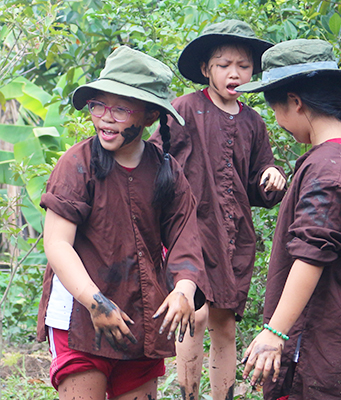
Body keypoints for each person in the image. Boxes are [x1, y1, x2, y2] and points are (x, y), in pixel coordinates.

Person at [36, 45, 209, 400]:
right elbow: (56, 244)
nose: (105, 118)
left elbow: (186, 240)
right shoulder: (77, 164)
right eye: (98, 106)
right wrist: (95, 302)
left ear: (148, 116)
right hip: (81, 318)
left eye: (120, 109)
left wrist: (183, 290)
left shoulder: (167, 171)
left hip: (140, 319)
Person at [236, 39, 341, 400]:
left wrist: (276, 333)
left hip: (322, 348)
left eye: (275, 109)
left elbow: (311, 255)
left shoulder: (327, 169)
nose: (277, 121)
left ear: (295, 102)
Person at [150, 20, 286, 400]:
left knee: (225, 325)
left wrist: (273, 176)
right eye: (224, 65)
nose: (235, 74)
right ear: (206, 69)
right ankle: (188, 394)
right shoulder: (184, 109)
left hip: (233, 236)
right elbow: (153, 159)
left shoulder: (253, 122)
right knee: (194, 315)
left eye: (243, 66)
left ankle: (223, 395)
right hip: (190, 230)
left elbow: (260, 175)